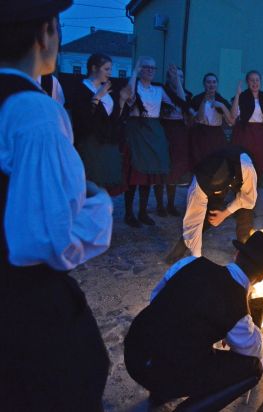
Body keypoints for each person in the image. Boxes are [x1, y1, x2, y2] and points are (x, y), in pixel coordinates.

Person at [0, 1, 113, 410]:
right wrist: (98, 204)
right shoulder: (34, 112)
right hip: (22, 304)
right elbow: (48, 241)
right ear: (46, 32)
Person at [124, 231, 263, 410]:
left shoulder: (189, 263)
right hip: (161, 373)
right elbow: (252, 353)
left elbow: (156, 298)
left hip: (134, 353)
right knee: (252, 369)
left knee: (175, 338)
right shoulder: (238, 309)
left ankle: (159, 394)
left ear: (236, 254)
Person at [165, 146, 257, 263]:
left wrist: (225, 213)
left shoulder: (246, 168)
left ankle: (243, 250)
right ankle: (183, 246)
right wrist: (196, 257)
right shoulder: (199, 184)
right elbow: (193, 220)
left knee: (245, 212)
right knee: (209, 214)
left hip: (239, 173)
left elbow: (249, 199)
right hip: (211, 177)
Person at [123, 56, 175, 227]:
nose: (150, 70)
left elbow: (176, 102)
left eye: (153, 68)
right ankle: (128, 213)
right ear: (140, 69)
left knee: (148, 174)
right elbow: (129, 97)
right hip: (136, 129)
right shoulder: (134, 85)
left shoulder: (158, 90)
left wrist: (176, 80)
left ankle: (143, 212)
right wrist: (134, 73)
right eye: (147, 67)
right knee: (134, 173)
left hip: (153, 131)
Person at [71, 53, 130, 196]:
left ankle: (102, 209)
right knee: (91, 183)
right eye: (106, 69)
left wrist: (122, 101)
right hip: (91, 143)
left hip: (108, 142)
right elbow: (82, 118)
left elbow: (114, 118)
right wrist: (97, 97)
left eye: (110, 69)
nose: (110, 73)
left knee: (106, 185)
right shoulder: (80, 88)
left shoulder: (107, 90)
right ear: (94, 68)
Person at [231, 70, 263, 186]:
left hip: (261, 135)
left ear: (260, 82)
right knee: (244, 162)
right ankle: (241, 191)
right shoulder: (242, 97)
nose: (255, 83)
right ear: (247, 82)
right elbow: (233, 115)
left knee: (259, 161)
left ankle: (254, 191)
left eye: (257, 80)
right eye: (252, 80)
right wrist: (237, 95)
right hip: (245, 134)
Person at [160, 65, 193, 216]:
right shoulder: (161, 91)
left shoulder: (186, 94)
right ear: (168, 78)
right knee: (162, 166)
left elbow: (184, 104)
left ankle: (170, 204)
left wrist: (178, 84)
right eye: (175, 76)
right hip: (164, 129)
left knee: (174, 167)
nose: (178, 79)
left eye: (181, 77)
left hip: (180, 130)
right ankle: (159, 204)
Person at [189, 72, 234, 166]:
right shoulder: (197, 99)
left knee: (217, 160)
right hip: (201, 132)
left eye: (214, 82)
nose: (211, 85)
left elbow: (231, 120)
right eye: (208, 82)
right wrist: (203, 102)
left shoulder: (221, 100)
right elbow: (199, 118)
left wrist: (221, 106)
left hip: (216, 133)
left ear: (217, 84)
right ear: (204, 84)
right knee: (201, 160)